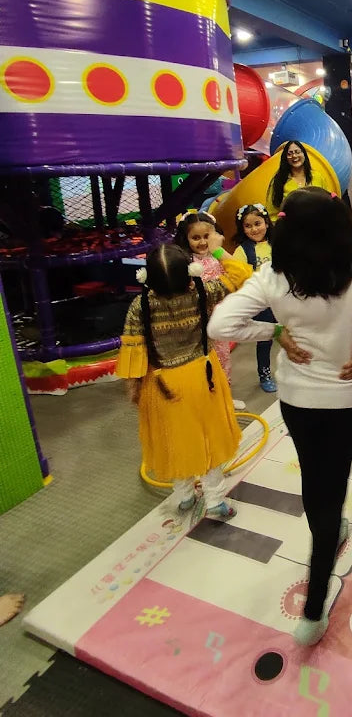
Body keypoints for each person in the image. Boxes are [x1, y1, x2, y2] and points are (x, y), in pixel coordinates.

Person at [208, 188, 352, 646]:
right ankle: (314, 606)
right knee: (332, 484)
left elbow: (219, 326)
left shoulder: (273, 275)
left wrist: (274, 330)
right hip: (347, 398)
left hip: (298, 397)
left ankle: (325, 549)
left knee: (316, 480)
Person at [116, 236, 252, 518]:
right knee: (208, 440)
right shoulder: (202, 292)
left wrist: (134, 390)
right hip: (203, 378)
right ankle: (215, 501)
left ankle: (185, 496)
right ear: (191, 273)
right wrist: (216, 245)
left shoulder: (139, 306)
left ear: (147, 278)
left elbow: (133, 353)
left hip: (162, 385)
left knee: (175, 441)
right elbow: (240, 271)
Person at [174, 211, 245, 409]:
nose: (203, 242)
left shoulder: (218, 256)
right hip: (198, 323)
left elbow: (238, 269)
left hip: (220, 320)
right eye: (196, 238)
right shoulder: (187, 262)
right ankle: (208, 401)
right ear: (185, 239)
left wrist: (219, 250)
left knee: (224, 359)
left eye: (207, 236)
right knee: (204, 363)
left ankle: (225, 398)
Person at [231, 203, 277, 393]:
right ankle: (264, 374)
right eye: (248, 226)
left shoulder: (277, 243)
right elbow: (237, 275)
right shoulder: (242, 251)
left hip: (282, 299)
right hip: (262, 304)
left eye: (257, 223)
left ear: (266, 222)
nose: (254, 229)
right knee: (265, 339)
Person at [266, 140, 331, 219]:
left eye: (297, 152)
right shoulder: (278, 180)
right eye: (289, 154)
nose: (294, 156)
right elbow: (272, 213)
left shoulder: (317, 177)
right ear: (285, 158)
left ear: (304, 154)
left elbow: (329, 203)